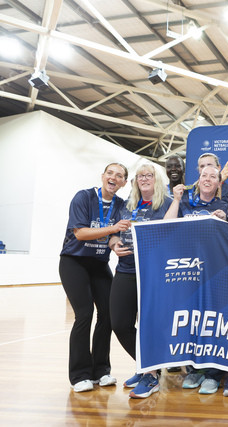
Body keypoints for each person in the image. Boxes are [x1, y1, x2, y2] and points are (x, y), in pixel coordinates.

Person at [59, 163, 129, 392]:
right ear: (103, 176)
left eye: (119, 175)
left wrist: (116, 245)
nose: (113, 177)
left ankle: (101, 371)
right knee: (84, 313)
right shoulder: (84, 197)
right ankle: (79, 375)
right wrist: (112, 229)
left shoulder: (121, 205)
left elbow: (115, 236)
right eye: (110, 173)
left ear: (123, 183)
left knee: (108, 313)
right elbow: (80, 233)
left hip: (99, 264)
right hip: (74, 262)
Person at [108, 163, 172, 399]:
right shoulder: (127, 204)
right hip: (125, 269)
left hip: (152, 272)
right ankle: (146, 366)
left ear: (157, 179)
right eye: (140, 176)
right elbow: (113, 232)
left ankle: (151, 375)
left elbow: (174, 232)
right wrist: (113, 244)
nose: (144, 179)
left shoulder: (166, 204)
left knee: (147, 325)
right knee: (119, 323)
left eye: (149, 175)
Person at [164, 165, 228, 394]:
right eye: (204, 176)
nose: (208, 179)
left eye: (213, 177)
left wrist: (225, 219)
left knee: (211, 322)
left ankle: (213, 374)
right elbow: (166, 224)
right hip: (188, 271)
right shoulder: (184, 202)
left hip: (214, 272)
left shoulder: (223, 205)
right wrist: (176, 199)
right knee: (191, 321)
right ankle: (194, 369)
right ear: (198, 180)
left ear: (219, 183)